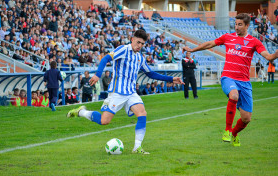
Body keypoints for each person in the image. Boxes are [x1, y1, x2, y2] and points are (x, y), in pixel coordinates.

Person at [66, 30, 184, 154]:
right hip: (117, 92)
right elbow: (106, 58)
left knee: (142, 114)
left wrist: (171, 79)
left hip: (131, 93)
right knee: (104, 121)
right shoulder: (123, 49)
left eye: (142, 44)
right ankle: (81, 112)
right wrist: (97, 74)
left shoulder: (140, 57)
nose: (139, 46)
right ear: (132, 39)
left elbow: (151, 73)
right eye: (138, 42)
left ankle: (137, 148)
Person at [183, 13, 278, 146]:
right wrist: (193, 50)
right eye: (236, 24)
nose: (236, 27)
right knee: (233, 95)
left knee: (246, 118)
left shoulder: (254, 42)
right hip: (228, 77)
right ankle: (227, 130)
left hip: (244, 82)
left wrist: (276, 54)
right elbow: (210, 44)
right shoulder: (228, 37)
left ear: (247, 25)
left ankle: (234, 133)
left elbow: (268, 57)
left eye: (240, 24)